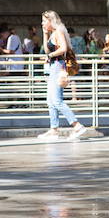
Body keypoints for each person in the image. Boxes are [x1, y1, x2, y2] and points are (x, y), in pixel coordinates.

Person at [38, 11, 93, 141]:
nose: (42, 23)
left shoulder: (59, 32)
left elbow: (63, 49)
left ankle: (77, 126)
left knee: (57, 100)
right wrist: (45, 34)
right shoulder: (52, 33)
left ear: (51, 20)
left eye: (45, 21)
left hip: (58, 66)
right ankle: (54, 129)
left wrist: (50, 56)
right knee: (51, 101)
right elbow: (47, 50)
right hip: (53, 67)